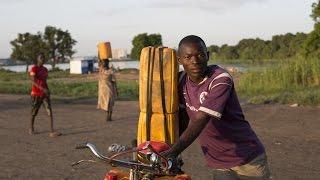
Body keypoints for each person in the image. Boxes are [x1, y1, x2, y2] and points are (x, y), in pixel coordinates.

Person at [164, 35, 270, 179]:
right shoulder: (181, 80)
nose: (195, 61)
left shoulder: (220, 79)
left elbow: (201, 119)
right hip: (218, 162)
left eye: (200, 55)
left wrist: (173, 152)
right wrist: (173, 148)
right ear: (180, 60)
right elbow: (183, 118)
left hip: (248, 159)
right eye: (188, 57)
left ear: (207, 56)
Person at [29, 53, 61, 137]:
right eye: (41, 58)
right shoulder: (34, 68)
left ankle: (52, 131)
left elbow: (44, 82)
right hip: (36, 93)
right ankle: (31, 128)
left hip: (44, 94)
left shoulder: (45, 69)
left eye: (43, 58)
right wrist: (42, 89)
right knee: (34, 112)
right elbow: (33, 81)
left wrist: (47, 90)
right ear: (37, 59)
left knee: (49, 111)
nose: (42, 59)